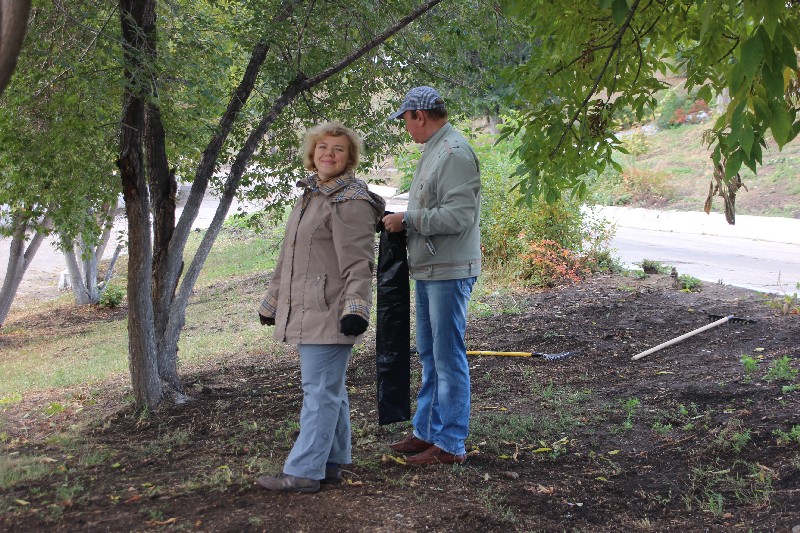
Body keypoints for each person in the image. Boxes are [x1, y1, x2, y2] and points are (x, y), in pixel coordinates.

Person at [256, 121, 385, 492]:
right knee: (330, 389)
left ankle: (303, 472)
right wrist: (273, 301)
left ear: (350, 158)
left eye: (339, 149)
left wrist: (356, 309)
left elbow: (359, 264)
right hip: (306, 309)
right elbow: (289, 257)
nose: (329, 153)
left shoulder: (351, 201)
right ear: (312, 153)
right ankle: (329, 464)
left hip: (330, 311)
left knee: (320, 391)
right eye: (323, 147)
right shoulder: (311, 195)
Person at [382, 86, 481, 466]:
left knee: (447, 356)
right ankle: (426, 432)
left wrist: (407, 219)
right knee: (430, 354)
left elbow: (459, 218)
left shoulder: (454, 153)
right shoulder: (436, 149)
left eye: (406, 120)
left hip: (449, 272)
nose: (406, 128)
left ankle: (451, 443)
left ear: (419, 115)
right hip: (430, 268)